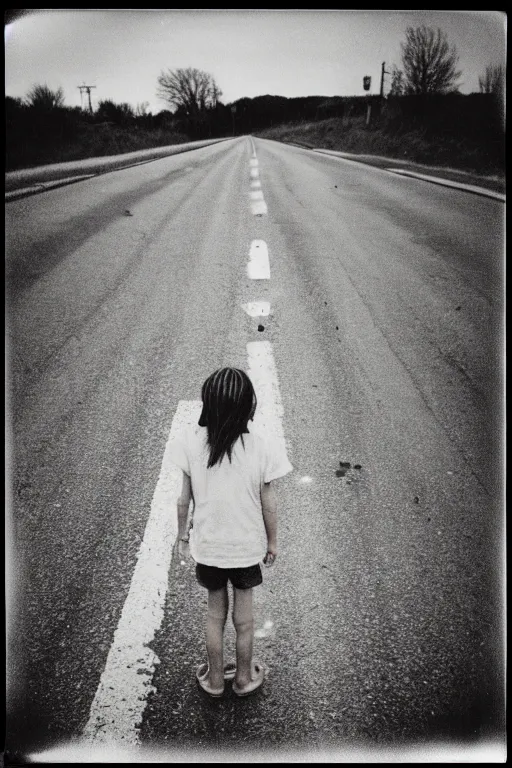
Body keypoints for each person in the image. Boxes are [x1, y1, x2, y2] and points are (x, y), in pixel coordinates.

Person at [169, 367, 293, 697]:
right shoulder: (262, 446)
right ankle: (242, 678)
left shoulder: (189, 443)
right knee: (245, 620)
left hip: (209, 548)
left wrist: (182, 537)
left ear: (207, 404)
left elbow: (184, 500)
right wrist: (272, 541)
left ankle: (212, 679)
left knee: (214, 616)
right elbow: (269, 502)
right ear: (248, 406)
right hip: (246, 549)